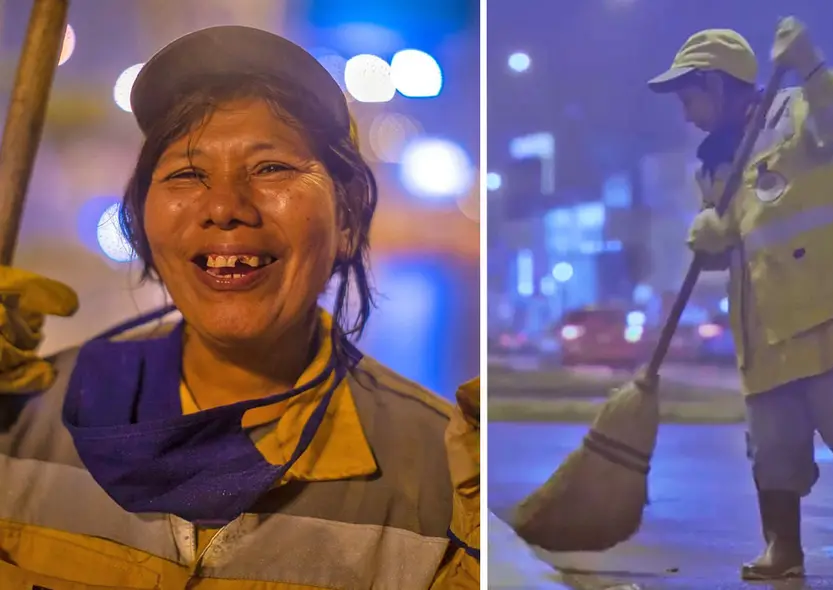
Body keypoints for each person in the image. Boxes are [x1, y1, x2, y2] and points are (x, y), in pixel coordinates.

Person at [0, 26, 479, 589]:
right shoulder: (24, 423)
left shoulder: (441, 482)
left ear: (347, 217)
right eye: (187, 174)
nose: (225, 207)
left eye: (271, 168)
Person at [647, 19, 833, 582]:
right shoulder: (712, 165)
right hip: (762, 331)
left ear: (718, 84)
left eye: (690, 97)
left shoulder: (796, 112)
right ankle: (783, 547)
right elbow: (728, 242)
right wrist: (709, 239)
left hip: (830, 314)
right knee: (773, 446)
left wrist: (812, 65)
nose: (685, 114)